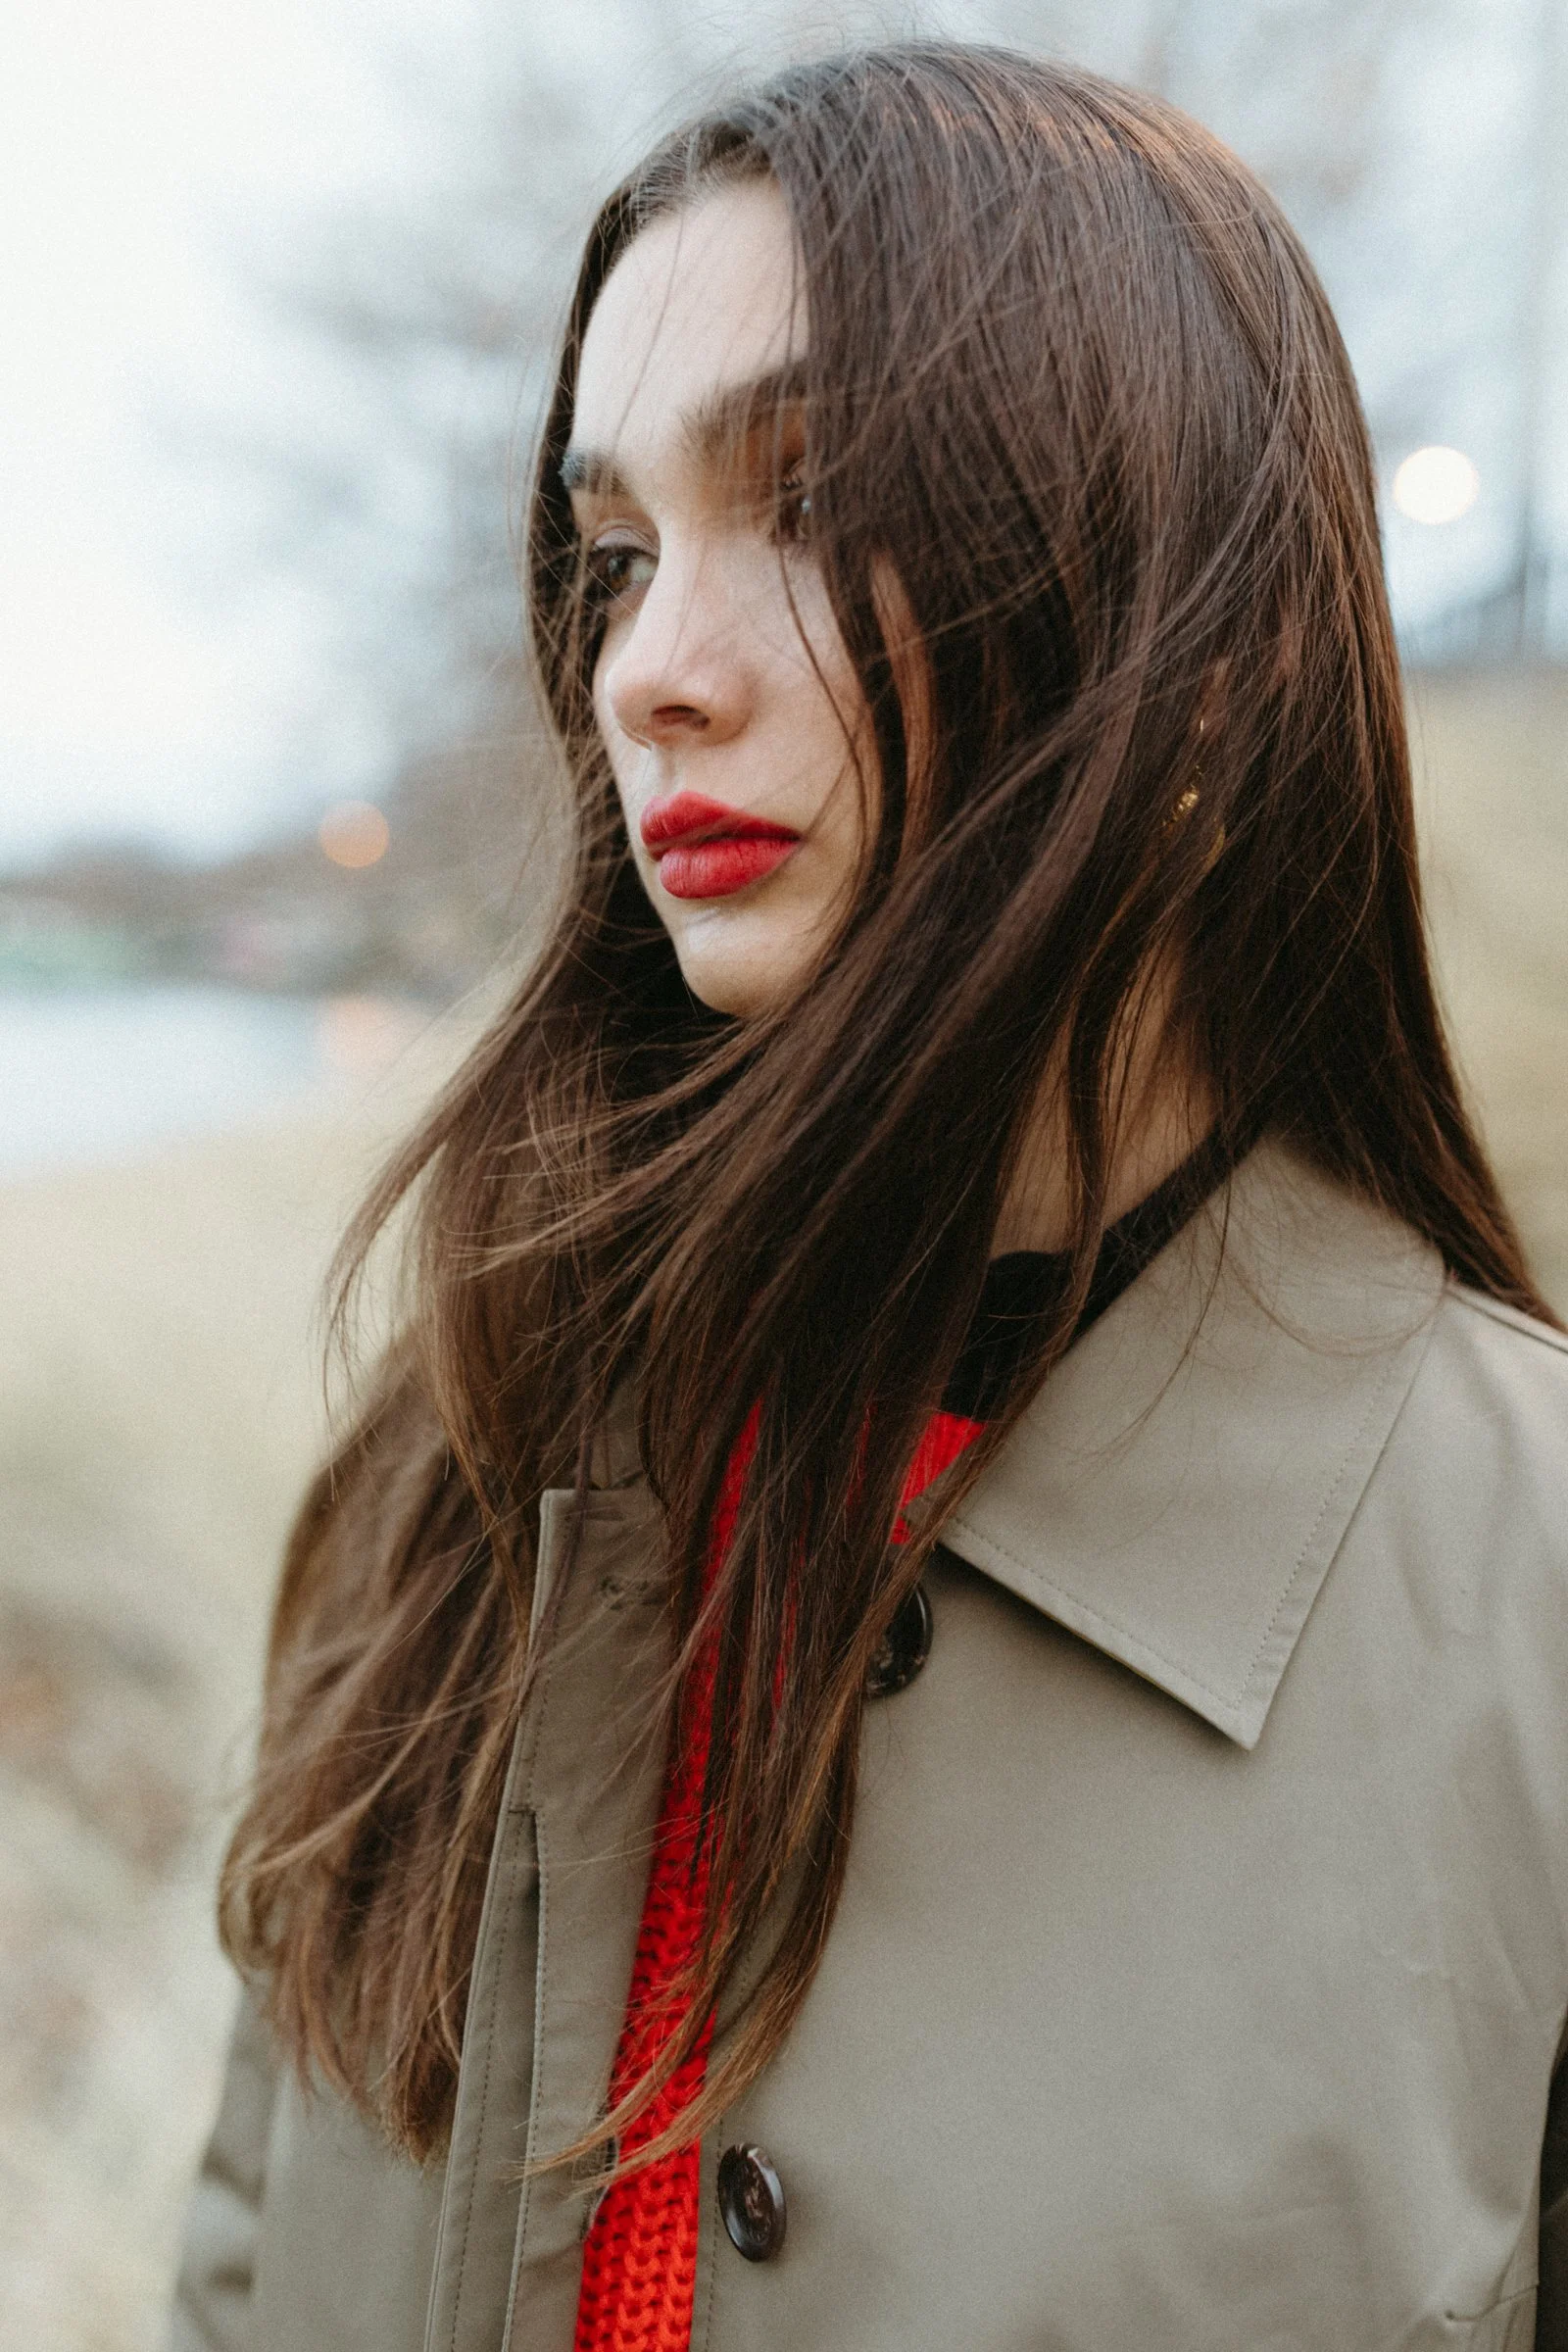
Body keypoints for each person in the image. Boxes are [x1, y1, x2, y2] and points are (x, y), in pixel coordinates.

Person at [168, 42, 1568, 2352]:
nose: (647, 672)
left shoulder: (1524, 1610)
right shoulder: (446, 1480)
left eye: (809, 501)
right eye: (610, 554)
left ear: (1204, 644)